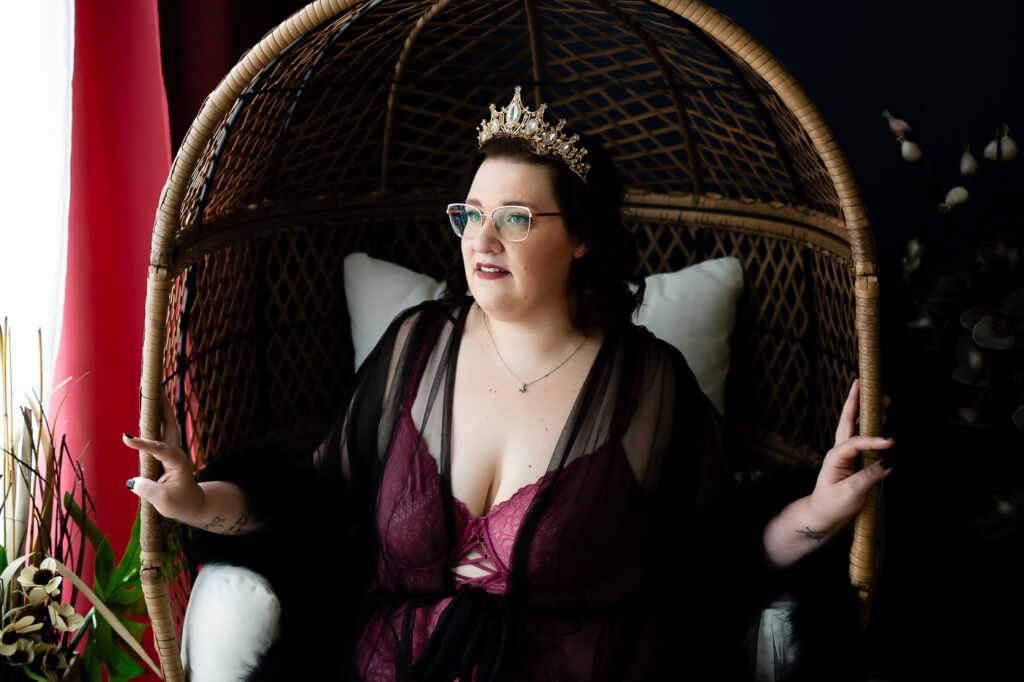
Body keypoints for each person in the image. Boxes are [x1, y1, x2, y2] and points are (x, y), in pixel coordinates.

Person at [123, 87, 894, 681]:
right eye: (470, 215)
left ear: (582, 237)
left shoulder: (645, 382)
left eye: (516, 220)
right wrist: (197, 504)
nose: (481, 241)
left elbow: (714, 553)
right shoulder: (416, 347)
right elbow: (313, 502)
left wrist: (819, 511)